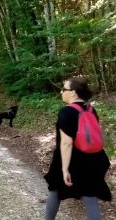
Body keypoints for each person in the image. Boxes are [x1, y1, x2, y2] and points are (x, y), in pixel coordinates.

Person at [44, 77, 111, 220]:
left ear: (73, 93)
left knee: (55, 191)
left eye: (64, 89)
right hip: (93, 159)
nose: (61, 92)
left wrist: (64, 169)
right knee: (90, 198)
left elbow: (66, 143)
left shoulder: (66, 112)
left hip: (70, 159)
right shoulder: (91, 109)